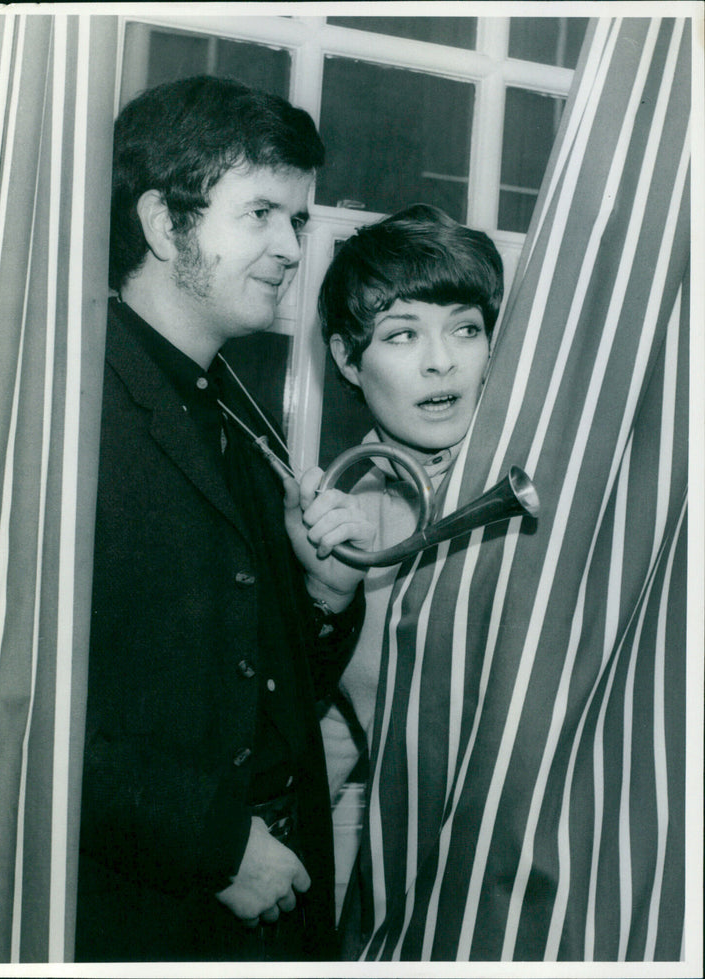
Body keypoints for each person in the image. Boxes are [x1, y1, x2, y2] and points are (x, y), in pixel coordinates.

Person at [75, 75, 370, 963]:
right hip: (147, 918)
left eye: (298, 221)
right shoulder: (70, 412)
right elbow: (21, 705)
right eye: (263, 215)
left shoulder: (237, 408)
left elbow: (254, 687)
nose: (290, 248)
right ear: (166, 224)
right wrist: (218, 845)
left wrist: (322, 599)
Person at [290, 203, 504, 955]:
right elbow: (312, 752)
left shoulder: (551, 486)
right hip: (423, 888)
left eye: (466, 328)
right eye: (403, 333)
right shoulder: (347, 529)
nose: (442, 361)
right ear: (349, 360)